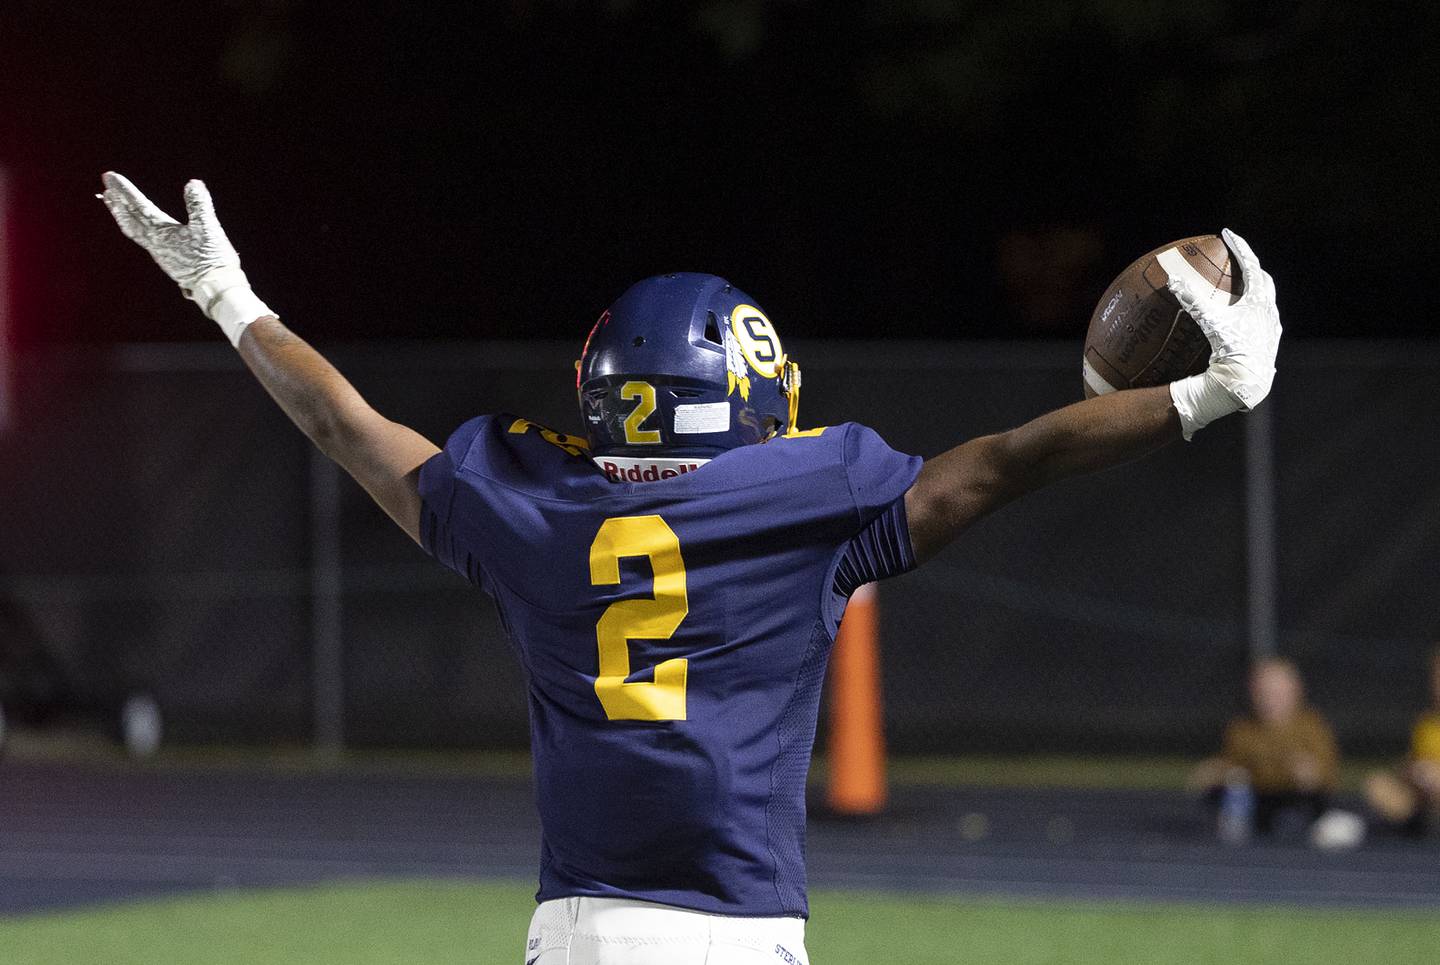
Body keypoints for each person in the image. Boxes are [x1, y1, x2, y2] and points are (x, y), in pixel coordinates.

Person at [100, 172, 1282, 965]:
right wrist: (1197, 395)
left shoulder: (536, 499)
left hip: (570, 928)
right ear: (748, 386)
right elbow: (1003, 463)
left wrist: (228, 296)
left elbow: (349, 427)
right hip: (731, 928)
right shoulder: (805, 490)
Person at [1190, 657, 1340, 842]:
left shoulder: (1312, 727)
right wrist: (1215, 771)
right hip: (1258, 800)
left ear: (1294, 692)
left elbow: (1326, 776)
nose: (1269, 700)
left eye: (1276, 693)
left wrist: (1310, 775)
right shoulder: (1242, 728)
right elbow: (1232, 766)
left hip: (1294, 801)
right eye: (1263, 693)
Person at [1365, 646, 1440, 836]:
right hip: (1423, 799)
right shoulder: (1426, 723)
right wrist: (1413, 772)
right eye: (1435, 677)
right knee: (1377, 783)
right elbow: (1410, 764)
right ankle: (1418, 827)